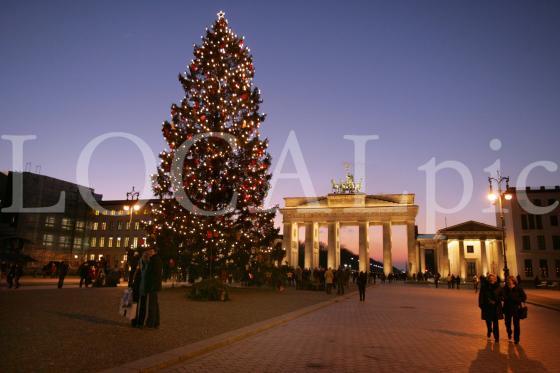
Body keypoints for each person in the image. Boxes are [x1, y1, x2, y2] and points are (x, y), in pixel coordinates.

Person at [135, 247, 162, 328]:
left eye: (150, 251)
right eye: (147, 252)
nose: (148, 253)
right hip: (147, 285)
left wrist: (152, 285)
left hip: (150, 286)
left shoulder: (153, 260)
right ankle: (153, 323)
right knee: (152, 304)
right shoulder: (149, 261)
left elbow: (154, 275)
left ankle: (151, 323)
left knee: (152, 305)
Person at [479, 274, 503, 342]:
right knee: (488, 321)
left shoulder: (498, 287)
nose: (491, 280)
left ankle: (496, 337)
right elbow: (481, 296)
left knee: (495, 322)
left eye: (492, 279)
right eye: (490, 279)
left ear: (495, 279)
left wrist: (497, 300)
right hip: (487, 306)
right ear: (488, 279)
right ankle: (489, 329)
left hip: (495, 307)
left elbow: (502, 296)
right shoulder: (484, 287)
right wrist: (481, 305)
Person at [503, 275, 527, 344]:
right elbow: (502, 296)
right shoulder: (505, 288)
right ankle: (509, 332)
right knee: (507, 323)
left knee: (516, 324)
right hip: (507, 308)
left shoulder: (518, 288)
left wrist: (517, 300)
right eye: (508, 280)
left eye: (510, 280)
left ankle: (516, 338)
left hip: (516, 308)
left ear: (513, 281)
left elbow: (524, 297)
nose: (509, 281)